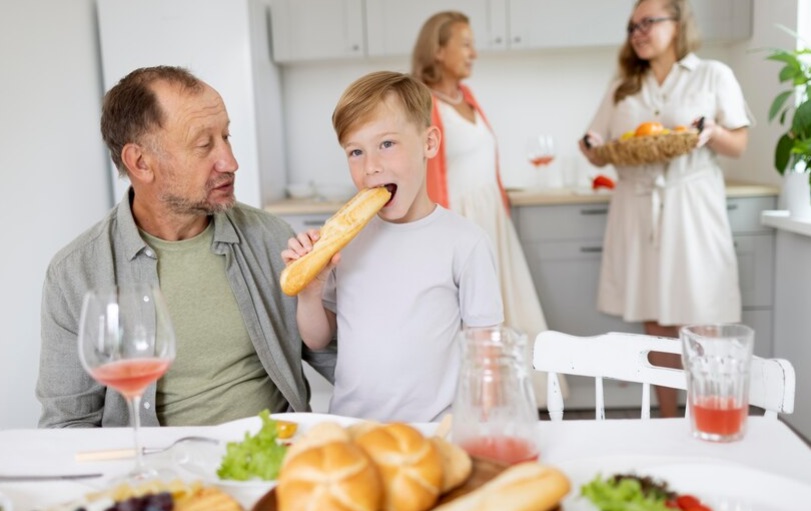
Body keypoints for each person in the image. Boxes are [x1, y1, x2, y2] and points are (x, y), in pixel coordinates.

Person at [37, 66, 331, 428]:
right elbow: (68, 425)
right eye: (204, 145)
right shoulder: (75, 273)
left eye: (226, 136)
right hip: (161, 473)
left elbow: (336, 360)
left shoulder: (271, 238)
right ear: (141, 163)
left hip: (274, 457)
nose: (230, 162)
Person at [282, 71, 504, 423]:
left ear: (429, 143)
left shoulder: (466, 242)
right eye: (356, 151)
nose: (371, 167)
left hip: (434, 429)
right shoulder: (342, 242)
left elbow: (486, 352)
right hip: (351, 426)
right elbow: (317, 340)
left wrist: (480, 427)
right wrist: (310, 291)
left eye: (387, 144)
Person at [579, 0, 751, 417]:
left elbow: (740, 144)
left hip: (691, 206)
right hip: (637, 208)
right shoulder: (623, 86)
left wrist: (711, 132)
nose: (638, 32)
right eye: (632, 26)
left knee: (701, 313)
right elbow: (592, 142)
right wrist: (591, 148)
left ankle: (707, 411)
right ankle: (667, 417)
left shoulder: (713, 74)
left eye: (648, 22)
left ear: (677, 25)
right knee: (654, 320)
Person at [411, 11, 554, 404]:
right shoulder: (421, 100)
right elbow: (418, 166)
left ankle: (516, 400)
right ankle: (475, 402)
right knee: (469, 317)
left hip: (491, 218)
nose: (474, 53)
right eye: (466, 44)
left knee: (504, 308)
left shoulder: (466, 98)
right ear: (438, 51)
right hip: (460, 218)